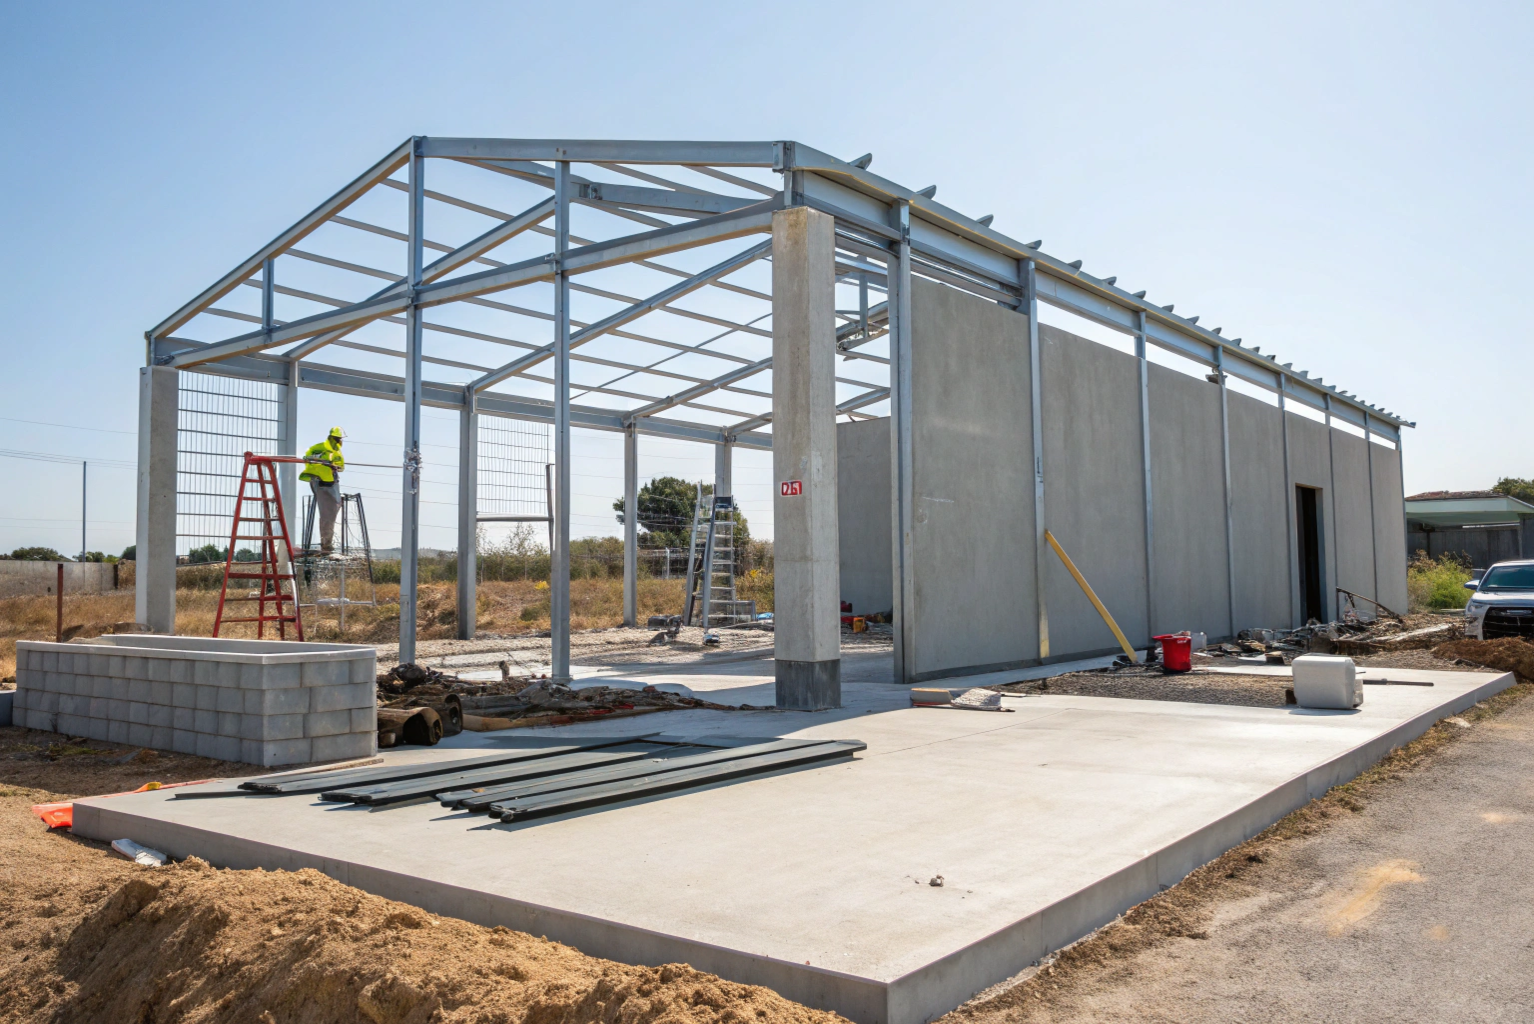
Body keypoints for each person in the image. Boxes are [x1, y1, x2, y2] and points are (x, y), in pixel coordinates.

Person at [300, 426, 346, 555]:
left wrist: (334, 467)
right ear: (336, 439)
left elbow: (341, 466)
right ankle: (326, 546)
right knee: (329, 514)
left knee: (330, 512)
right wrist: (328, 466)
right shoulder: (327, 450)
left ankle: (327, 544)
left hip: (321, 482)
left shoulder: (320, 448)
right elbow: (340, 467)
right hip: (324, 483)